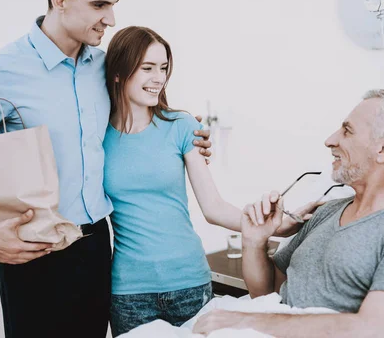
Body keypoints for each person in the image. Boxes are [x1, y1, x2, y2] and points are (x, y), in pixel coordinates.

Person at [0, 0, 212, 338]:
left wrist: (188, 133)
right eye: (99, 5)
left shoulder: (104, 67)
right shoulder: (2, 70)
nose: (110, 18)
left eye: (113, 4)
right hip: (34, 247)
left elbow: (140, 111)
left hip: (95, 245)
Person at [102, 26, 318, 336]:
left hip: (189, 283)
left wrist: (276, 225)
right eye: (147, 68)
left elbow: (213, 207)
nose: (158, 78)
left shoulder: (181, 126)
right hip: (129, 293)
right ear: (119, 72)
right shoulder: (98, 138)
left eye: (163, 68)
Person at [194, 89, 384, 337]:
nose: (330, 140)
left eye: (347, 130)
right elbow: (266, 295)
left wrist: (243, 321)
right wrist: (254, 241)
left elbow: (370, 330)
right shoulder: (326, 212)